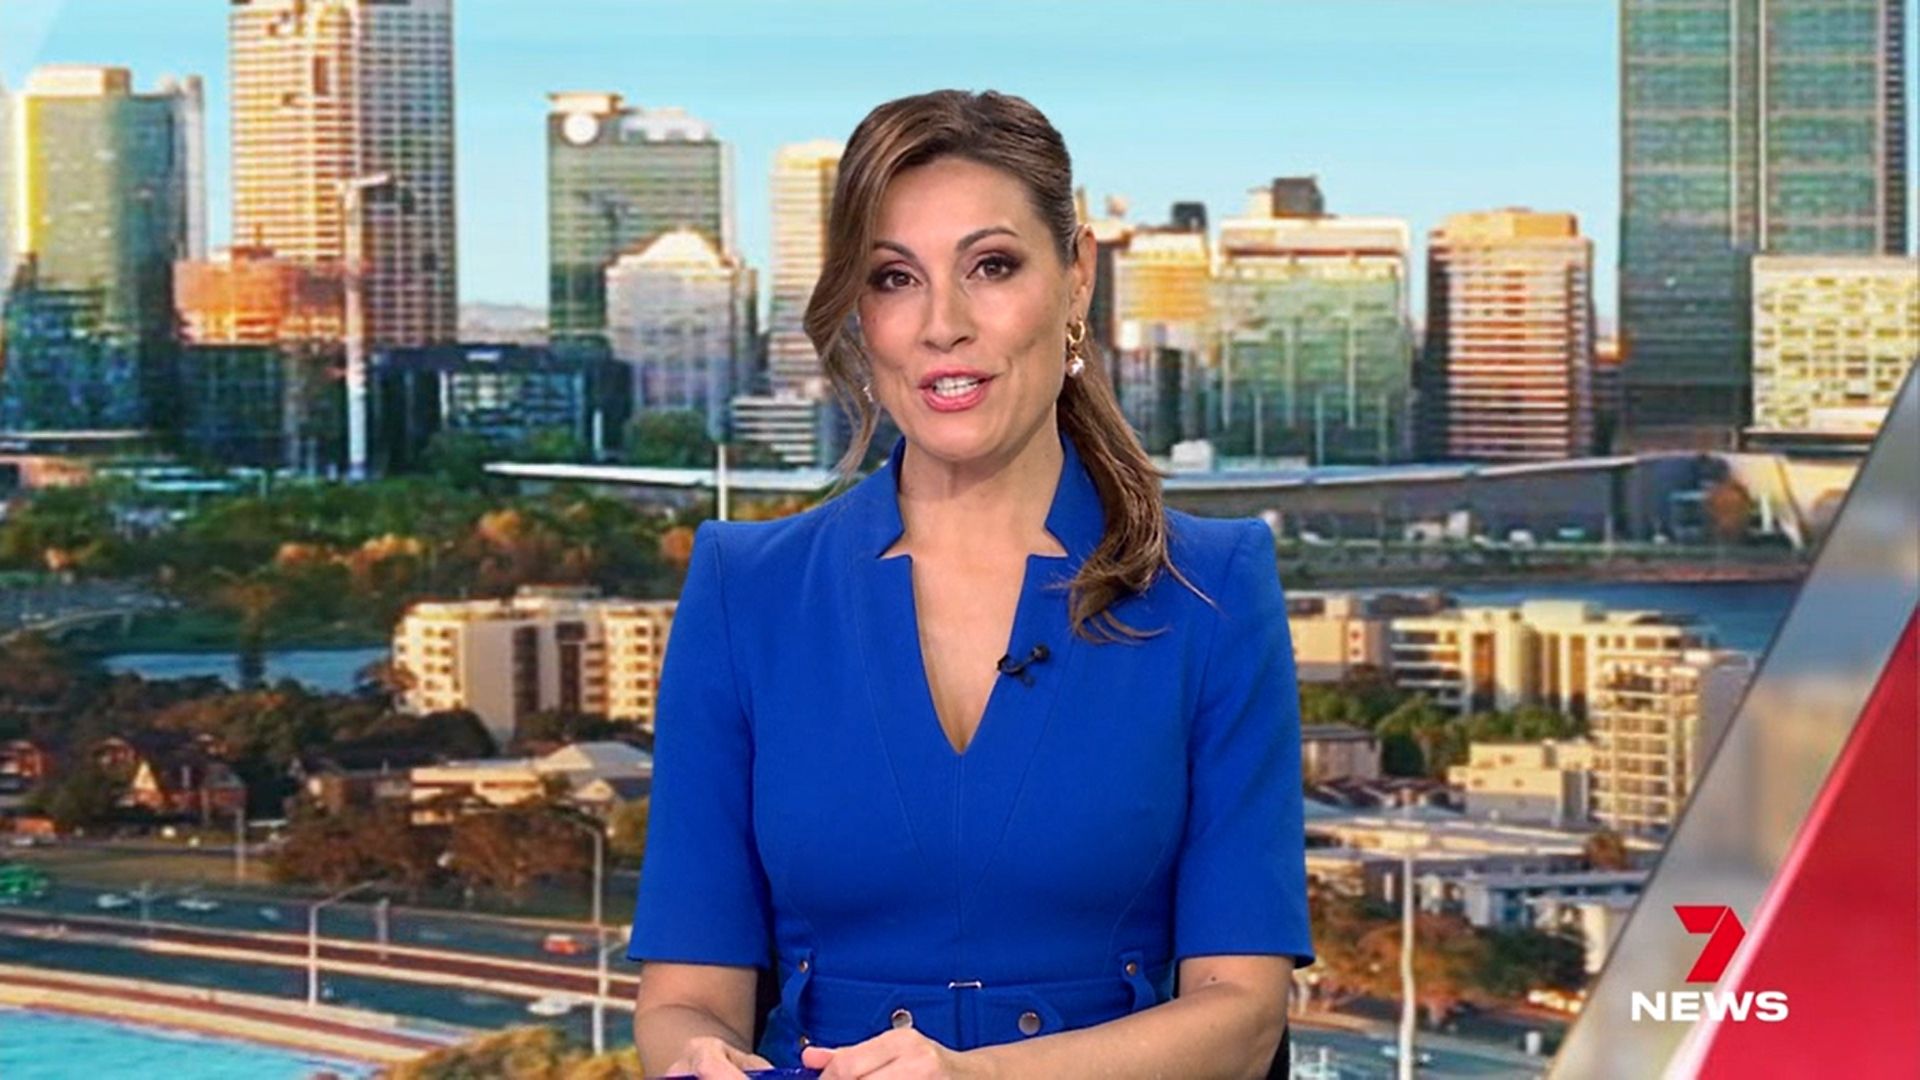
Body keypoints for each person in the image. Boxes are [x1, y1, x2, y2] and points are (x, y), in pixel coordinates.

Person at [630, 89, 1313, 1079]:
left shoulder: (1213, 588)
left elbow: (1244, 1021)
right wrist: (696, 1061)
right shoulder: (745, 591)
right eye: (894, 278)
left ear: (1076, 278)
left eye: (991, 266)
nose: (942, 324)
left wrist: (978, 1077)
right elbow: (685, 1000)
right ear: (860, 313)